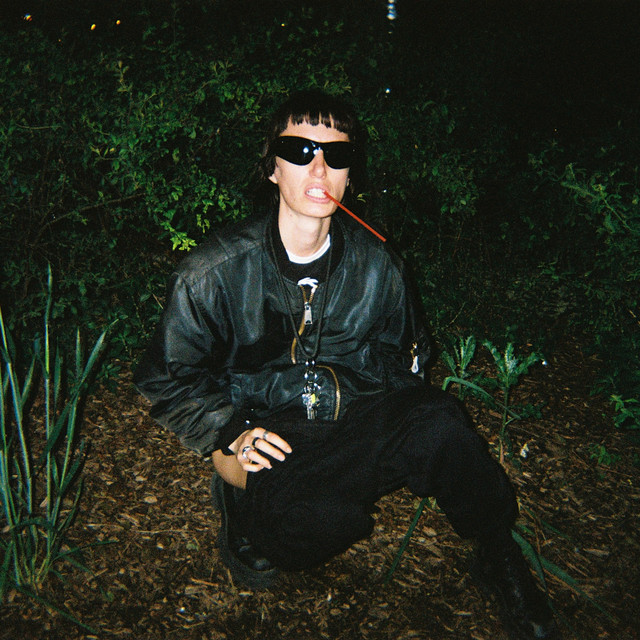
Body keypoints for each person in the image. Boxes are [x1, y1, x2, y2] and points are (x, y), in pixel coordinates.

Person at [134, 90, 560, 639]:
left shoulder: (379, 265)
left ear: (350, 174)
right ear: (272, 168)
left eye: (336, 155)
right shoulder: (213, 272)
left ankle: (496, 552)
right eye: (301, 150)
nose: (319, 168)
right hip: (266, 428)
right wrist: (231, 430)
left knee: (442, 422)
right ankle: (242, 498)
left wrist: (390, 410)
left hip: (352, 417)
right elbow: (167, 376)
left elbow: (406, 360)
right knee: (304, 532)